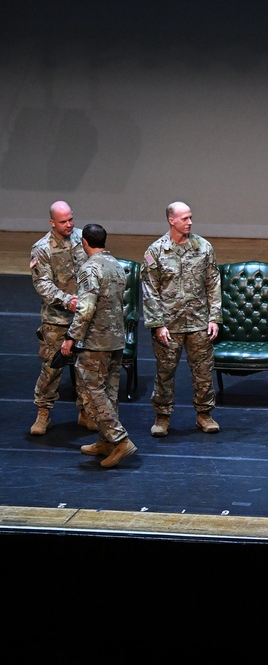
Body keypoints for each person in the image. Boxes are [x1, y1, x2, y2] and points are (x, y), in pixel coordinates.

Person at [140, 201, 222, 436]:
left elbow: (213, 283)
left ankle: (204, 415)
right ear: (171, 220)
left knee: (203, 372)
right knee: (165, 373)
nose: (190, 222)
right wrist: (157, 324)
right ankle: (162, 416)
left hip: (199, 322)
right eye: (184, 218)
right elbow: (150, 290)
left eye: (190, 217)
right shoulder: (155, 251)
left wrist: (214, 317)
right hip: (169, 324)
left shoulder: (203, 247)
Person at [61, 224, 136, 468]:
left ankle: (119, 439)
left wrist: (72, 337)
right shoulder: (116, 265)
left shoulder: (89, 268)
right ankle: (106, 441)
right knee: (110, 392)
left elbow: (86, 308)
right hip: (115, 340)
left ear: (84, 242)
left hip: (95, 341)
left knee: (92, 391)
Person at [28, 200, 91, 435]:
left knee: (86, 367)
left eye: (71, 219)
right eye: (63, 221)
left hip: (84, 317)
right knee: (52, 368)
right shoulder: (42, 248)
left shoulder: (83, 238)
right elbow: (42, 284)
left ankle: (85, 412)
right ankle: (43, 413)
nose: (69, 224)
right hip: (57, 318)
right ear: (52, 222)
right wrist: (67, 300)